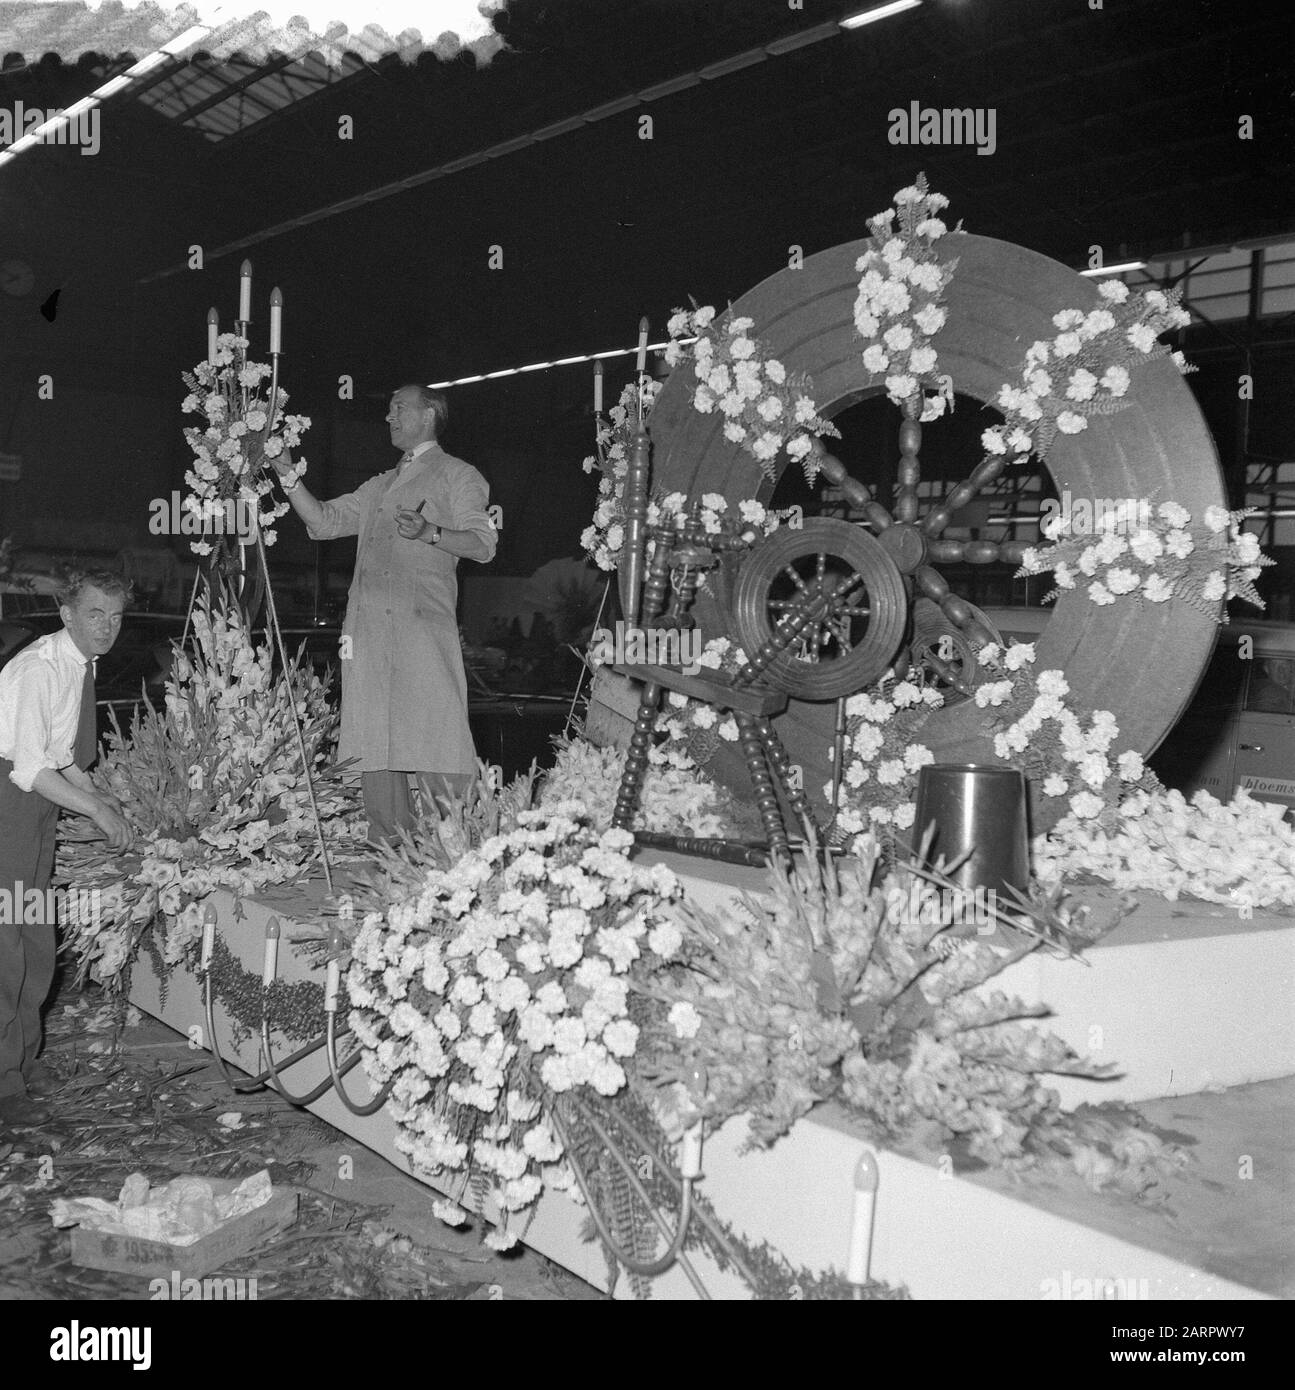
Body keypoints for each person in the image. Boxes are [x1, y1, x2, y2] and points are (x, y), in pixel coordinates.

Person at [272, 384, 497, 842]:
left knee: (437, 731)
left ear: (430, 414)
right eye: (389, 409)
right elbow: (324, 521)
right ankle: (388, 845)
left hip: (422, 628)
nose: (389, 417)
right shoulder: (378, 485)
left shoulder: (459, 474)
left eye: (399, 408)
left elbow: (483, 544)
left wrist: (431, 532)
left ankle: (454, 845)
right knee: (375, 736)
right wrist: (287, 474)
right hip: (369, 630)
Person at [0, 569, 133, 1126]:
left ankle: (24, 1061)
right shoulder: (38, 667)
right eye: (95, 614)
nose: (107, 627)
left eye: (116, 616)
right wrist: (97, 811)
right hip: (10, 808)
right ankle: (4, 1084)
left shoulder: (79, 664)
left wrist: (107, 799)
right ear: (67, 615)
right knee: (6, 946)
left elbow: (63, 758)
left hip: (37, 811)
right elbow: (30, 767)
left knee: (36, 937)